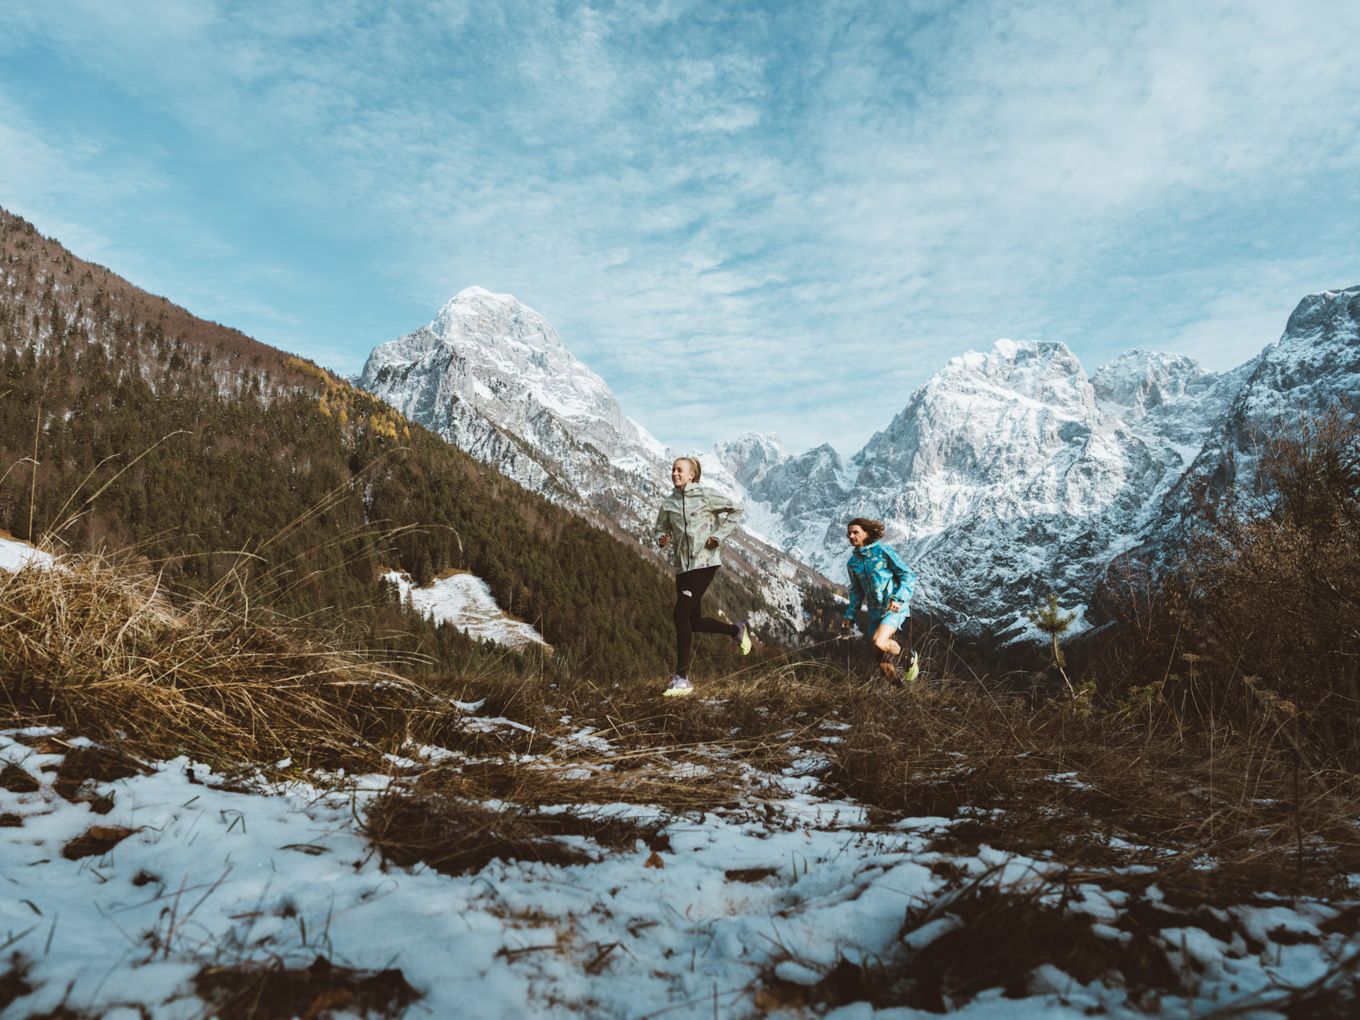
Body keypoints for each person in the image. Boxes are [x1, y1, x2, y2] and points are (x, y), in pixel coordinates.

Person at [654, 456, 753, 696]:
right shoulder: (669, 503)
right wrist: (662, 538)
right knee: (694, 622)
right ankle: (736, 630)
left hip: (705, 563)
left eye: (680, 470)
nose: (675, 473)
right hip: (682, 567)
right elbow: (660, 528)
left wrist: (718, 535)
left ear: (692, 475)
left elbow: (736, 510)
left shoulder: (706, 496)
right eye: (673, 470)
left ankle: (682, 678)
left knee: (680, 613)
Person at [841, 517, 919, 684]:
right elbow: (856, 592)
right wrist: (850, 615)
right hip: (875, 612)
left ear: (867, 533)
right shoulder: (853, 563)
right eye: (849, 533)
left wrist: (897, 598)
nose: (851, 536)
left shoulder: (882, 552)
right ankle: (902, 691)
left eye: (856, 532)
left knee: (880, 640)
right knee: (881, 660)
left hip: (893, 608)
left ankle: (908, 655)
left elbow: (907, 575)